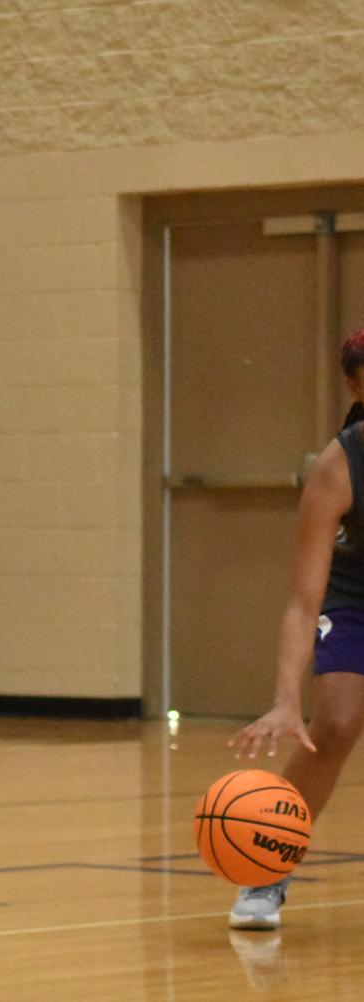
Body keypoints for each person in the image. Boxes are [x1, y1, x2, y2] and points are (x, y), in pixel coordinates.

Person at [229, 329, 364, 930]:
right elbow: (302, 603)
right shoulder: (339, 466)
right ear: (356, 385)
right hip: (355, 595)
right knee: (333, 725)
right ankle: (266, 869)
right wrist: (286, 699)